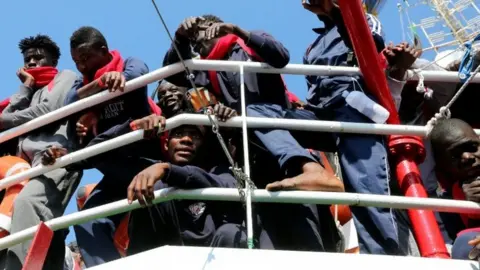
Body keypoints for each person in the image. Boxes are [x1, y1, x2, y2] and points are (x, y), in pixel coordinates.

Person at [299, 0, 401, 255]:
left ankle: (381, 256)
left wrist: (334, 11)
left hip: (351, 107)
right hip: (318, 113)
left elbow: (369, 45)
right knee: (267, 119)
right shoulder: (312, 46)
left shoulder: (365, 18)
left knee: (366, 183)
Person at [1, 35, 83, 270]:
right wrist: (25, 87)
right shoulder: (29, 91)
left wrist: (7, 120)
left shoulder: (65, 78)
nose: (33, 63)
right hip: (24, 167)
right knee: (40, 222)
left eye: (39, 57)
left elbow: (49, 110)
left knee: (27, 205)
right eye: (28, 60)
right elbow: (11, 112)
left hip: (55, 159)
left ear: (53, 60)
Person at [126, 124, 245, 254]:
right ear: (166, 144)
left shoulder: (218, 172)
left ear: (204, 145)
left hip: (214, 258)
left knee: (231, 232)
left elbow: (232, 186)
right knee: (148, 191)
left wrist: (169, 170)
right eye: (178, 134)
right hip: (170, 260)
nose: (186, 139)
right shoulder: (154, 183)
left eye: (194, 136)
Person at [430, 118, 480, 260]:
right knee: (464, 243)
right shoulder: (456, 194)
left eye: (472, 147)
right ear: (443, 166)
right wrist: (473, 209)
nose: (467, 157)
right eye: (454, 156)